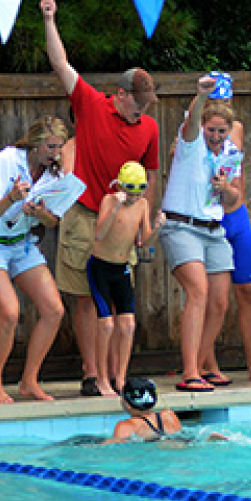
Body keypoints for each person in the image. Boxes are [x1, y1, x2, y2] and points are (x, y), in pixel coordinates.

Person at [40, 0, 160, 397]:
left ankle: (116, 376)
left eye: (147, 104)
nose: (143, 110)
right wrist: (50, 19)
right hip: (85, 214)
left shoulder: (149, 127)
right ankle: (92, 375)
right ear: (121, 94)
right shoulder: (91, 104)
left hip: (124, 222)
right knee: (87, 299)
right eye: (138, 103)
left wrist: (145, 223)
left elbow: (151, 175)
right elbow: (61, 64)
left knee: (119, 306)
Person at [0, 116, 71, 404]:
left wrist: (40, 214)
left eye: (59, 147)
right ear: (35, 144)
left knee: (53, 310)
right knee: (10, 313)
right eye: (50, 146)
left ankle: (29, 381)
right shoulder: (8, 160)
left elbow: (52, 221)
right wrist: (12, 198)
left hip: (21, 244)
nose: (55, 153)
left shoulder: (55, 173)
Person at [159, 77, 241, 393]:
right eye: (212, 130)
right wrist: (201, 95)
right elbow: (193, 119)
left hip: (214, 230)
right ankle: (190, 372)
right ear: (202, 127)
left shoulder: (230, 152)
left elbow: (233, 200)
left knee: (219, 302)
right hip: (182, 226)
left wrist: (226, 188)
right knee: (198, 291)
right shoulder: (190, 144)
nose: (216, 137)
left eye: (222, 131)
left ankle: (203, 363)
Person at [206, 72, 251, 381]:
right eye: (214, 100)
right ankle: (207, 364)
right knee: (210, 298)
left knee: (246, 289)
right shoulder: (197, 133)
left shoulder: (237, 129)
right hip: (211, 218)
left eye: (225, 100)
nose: (221, 106)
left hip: (237, 214)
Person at [87, 162, 165, 397]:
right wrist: (116, 208)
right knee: (106, 324)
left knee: (128, 325)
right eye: (130, 192)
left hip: (122, 269)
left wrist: (158, 228)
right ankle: (102, 379)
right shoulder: (109, 201)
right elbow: (99, 234)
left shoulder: (142, 205)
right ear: (120, 186)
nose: (134, 197)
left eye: (139, 191)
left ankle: (121, 379)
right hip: (100, 268)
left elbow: (143, 242)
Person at [106, 377, 227, 444]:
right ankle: (204, 441)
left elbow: (116, 445)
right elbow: (180, 434)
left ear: (127, 404)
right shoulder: (168, 414)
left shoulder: (127, 425)